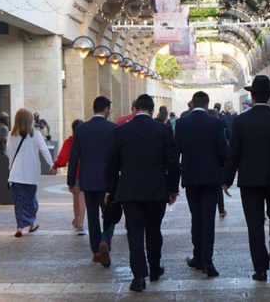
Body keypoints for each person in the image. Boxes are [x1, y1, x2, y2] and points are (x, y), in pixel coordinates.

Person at [223, 75, 270, 282]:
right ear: (269, 96)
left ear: (252, 95)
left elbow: (233, 153)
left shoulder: (240, 121)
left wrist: (227, 179)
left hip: (249, 180)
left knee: (254, 223)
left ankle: (260, 269)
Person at [105, 94, 180, 292]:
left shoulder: (121, 131)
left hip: (130, 191)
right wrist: (173, 189)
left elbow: (112, 164)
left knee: (135, 231)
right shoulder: (163, 130)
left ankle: (138, 276)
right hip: (156, 190)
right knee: (154, 230)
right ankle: (155, 268)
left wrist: (110, 190)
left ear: (134, 109)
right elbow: (172, 162)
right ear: (153, 110)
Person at [174, 91, 227, 277]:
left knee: (196, 217)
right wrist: (225, 176)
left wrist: (173, 182)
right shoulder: (216, 123)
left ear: (192, 104)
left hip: (190, 178)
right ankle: (207, 262)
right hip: (211, 178)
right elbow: (223, 151)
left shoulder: (181, 123)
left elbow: (175, 153)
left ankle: (197, 257)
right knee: (208, 220)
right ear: (207, 105)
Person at [68, 96, 119, 267]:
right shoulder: (113, 128)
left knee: (92, 215)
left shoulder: (81, 129)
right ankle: (105, 239)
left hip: (87, 179)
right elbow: (118, 156)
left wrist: (71, 181)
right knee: (110, 213)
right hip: (108, 181)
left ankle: (96, 251)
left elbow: (74, 156)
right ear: (105, 109)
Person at [8, 108, 54, 237]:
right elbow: (44, 150)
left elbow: (10, 154)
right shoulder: (35, 134)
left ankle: (19, 227)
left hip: (16, 173)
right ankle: (31, 224)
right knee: (30, 200)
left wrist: (10, 167)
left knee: (19, 202)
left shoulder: (12, 135)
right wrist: (52, 165)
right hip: (31, 173)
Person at [51, 119, 86, 235]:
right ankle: (81, 223)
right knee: (82, 197)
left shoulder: (70, 141)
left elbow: (63, 158)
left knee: (76, 198)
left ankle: (77, 220)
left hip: (75, 172)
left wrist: (56, 166)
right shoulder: (87, 140)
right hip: (86, 172)